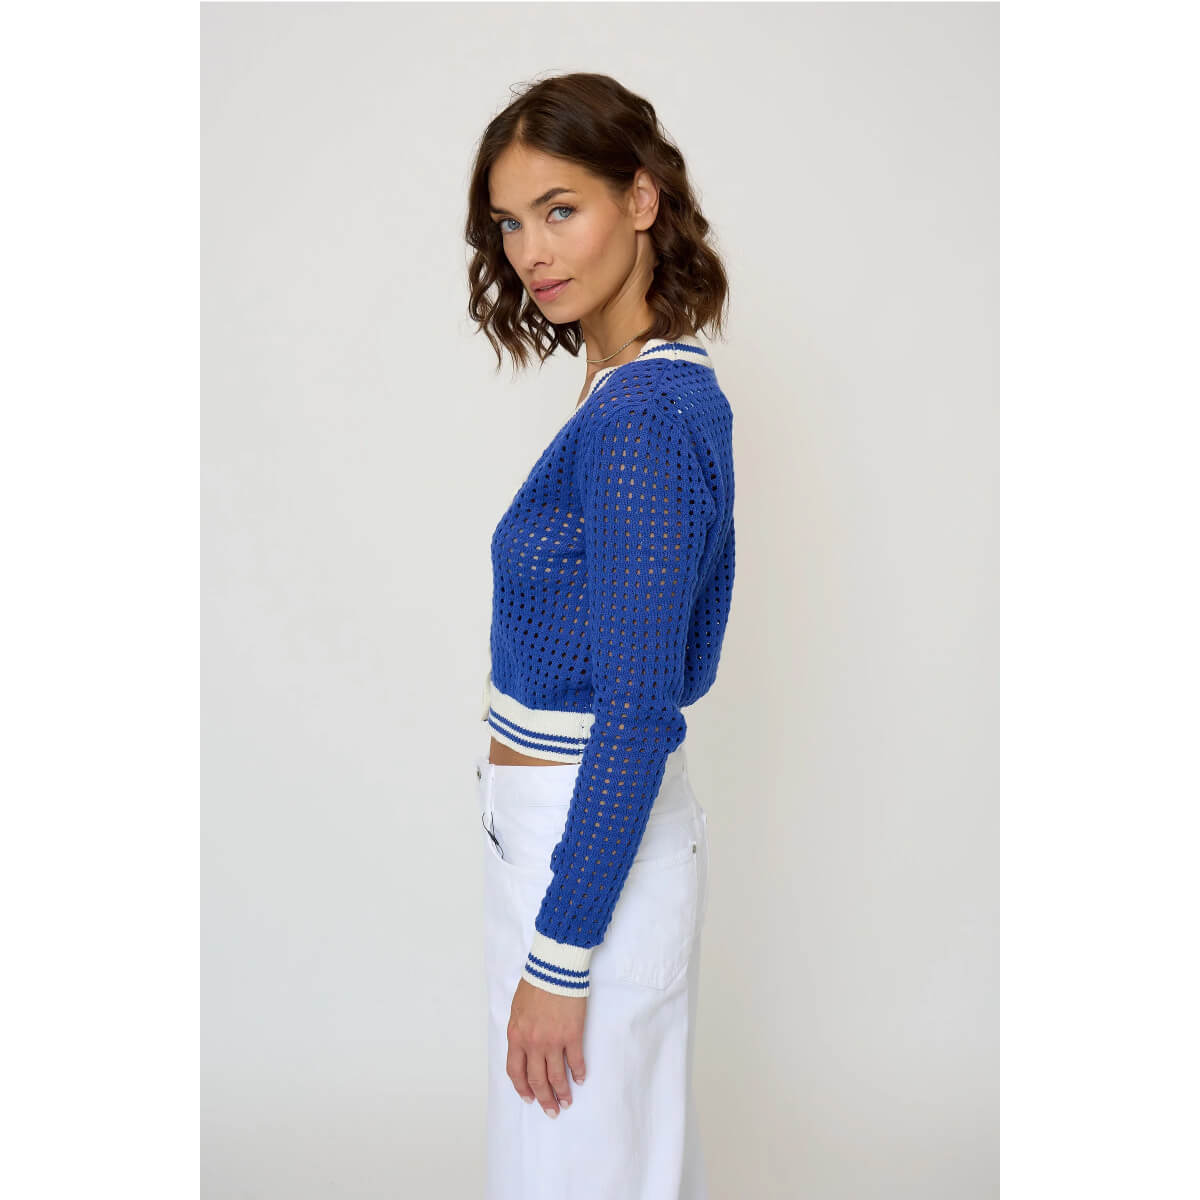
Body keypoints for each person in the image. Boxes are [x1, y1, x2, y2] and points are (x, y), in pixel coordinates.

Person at [464, 72, 737, 1200]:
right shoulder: (628, 389)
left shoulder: (640, 421)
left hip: (586, 849)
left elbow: (635, 711)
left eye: (560, 209)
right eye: (510, 223)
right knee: (600, 1167)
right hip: (571, 837)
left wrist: (559, 955)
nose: (531, 251)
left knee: (576, 1173)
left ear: (641, 199)